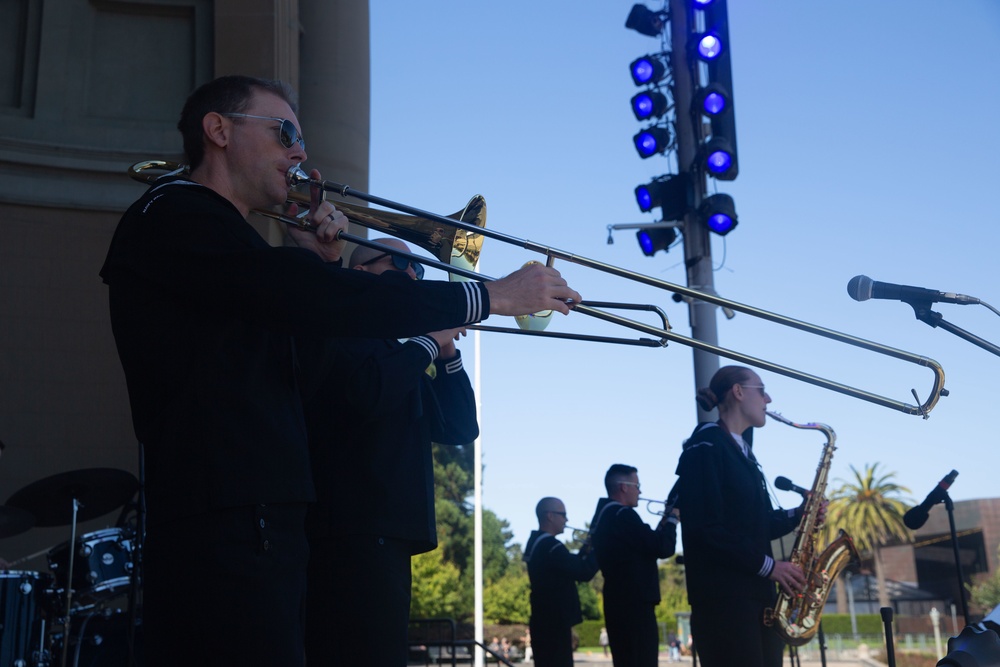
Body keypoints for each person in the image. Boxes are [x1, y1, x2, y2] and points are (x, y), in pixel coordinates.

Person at [99, 74, 581, 667]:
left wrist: (322, 265)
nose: (300, 152)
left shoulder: (237, 249)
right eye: (283, 133)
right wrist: (485, 298)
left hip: (265, 517)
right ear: (218, 131)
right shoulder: (174, 213)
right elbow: (318, 321)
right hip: (225, 518)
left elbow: (308, 373)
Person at [301, 238, 479, 666]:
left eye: (420, 268)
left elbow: (459, 427)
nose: (415, 275)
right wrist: (427, 343)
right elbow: (368, 394)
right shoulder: (338, 332)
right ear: (360, 272)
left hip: (389, 536)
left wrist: (448, 352)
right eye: (401, 263)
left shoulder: (398, 353)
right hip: (351, 532)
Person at [674, 366, 807, 667]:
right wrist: (769, 566)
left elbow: (754, 524)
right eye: (761, 390)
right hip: (726, 606)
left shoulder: (741, 450)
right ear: (738, 392)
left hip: (755, 600)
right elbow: (705, 529)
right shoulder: (705, 446)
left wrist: (799, 514)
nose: (768, 399)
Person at [589, 465, 677, 667]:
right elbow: (662, 548)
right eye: (637, 485)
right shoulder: (622, 515)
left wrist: (664, 523)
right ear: (623, 487)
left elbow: (647, 545)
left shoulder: (605, 515)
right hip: (634, 604)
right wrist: (673, 519)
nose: (640, 491)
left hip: (619, 601)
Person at [524, 497, 599, 667]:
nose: (566, 519)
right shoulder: (551, 546)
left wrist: (586, 549)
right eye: (563, 514)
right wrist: (598, 549)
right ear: (550, 516)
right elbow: (583, 572)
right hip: (554, 623)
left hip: (544, 619)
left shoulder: (536, 543)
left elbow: (571, 566)